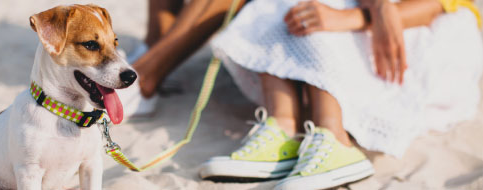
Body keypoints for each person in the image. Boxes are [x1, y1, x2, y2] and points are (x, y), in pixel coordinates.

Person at [123, 0, 482, 189]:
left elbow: (450, 4)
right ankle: (282, 128)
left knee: (314, 11)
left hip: (422, 35)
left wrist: (367, 13)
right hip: (368, 18)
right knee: (287, 7)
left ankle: (335, 139)